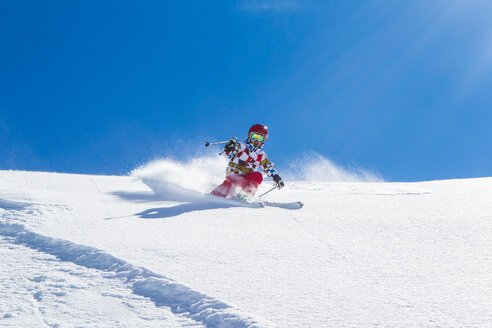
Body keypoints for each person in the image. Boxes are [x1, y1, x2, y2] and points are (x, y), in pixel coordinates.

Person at [211, 124, 284, 199]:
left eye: (260, 138)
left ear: (263, 140)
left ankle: (246, 195)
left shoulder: (261, 155)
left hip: (248, 177)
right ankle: (214, 196)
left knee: (258, 175)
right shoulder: (241, 146)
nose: (256, 141)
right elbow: (228, 153)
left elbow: (267, 167)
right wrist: (229, 147)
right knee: (231, 184)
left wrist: (276, 177)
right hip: (235, 175)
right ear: (249, 136)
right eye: (254, 137)